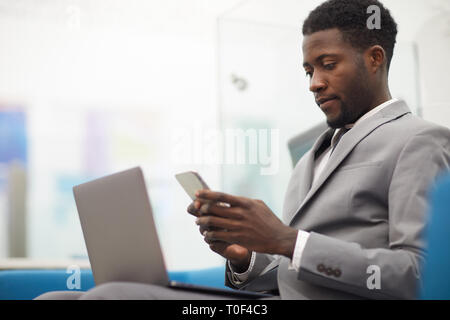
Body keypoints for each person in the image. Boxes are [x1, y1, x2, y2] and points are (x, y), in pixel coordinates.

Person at [36, 0, 450, 300]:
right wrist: (245, 257)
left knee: (111, 298)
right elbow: (292, 273)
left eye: (328, 64)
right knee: (55, 300)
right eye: (308, 70)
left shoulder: (418, 140)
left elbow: (420, 275)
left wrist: (287, 240)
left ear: (374, 59)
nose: (314, 83)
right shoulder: (310, 158)